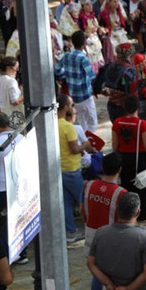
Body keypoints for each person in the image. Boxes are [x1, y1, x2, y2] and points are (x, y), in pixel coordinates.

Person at [87, 193, 146, 290]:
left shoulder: (101, 233)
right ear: (138, 212)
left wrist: (108, 284)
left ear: (117, 211)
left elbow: (91, 263)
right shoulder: (144, 237)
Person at [80, 152, 126, 290]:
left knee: (98, 275)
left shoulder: (88, 185)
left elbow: (82, 209)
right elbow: (122, 221)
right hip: (112, 239)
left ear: (102, 167)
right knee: (115, 277)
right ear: (120, 170)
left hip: (92, 234)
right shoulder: (121, 193)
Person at [58, 94, 96, 242]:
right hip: (72, 169)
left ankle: (70, 231)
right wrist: (85, 145)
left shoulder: (52, 124)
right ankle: (92, 228)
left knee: (66, 201)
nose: (73, 108)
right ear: (66, 108)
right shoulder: (68, 127)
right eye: (72, 105)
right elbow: (75, 149)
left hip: (60, 168)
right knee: (84, 199)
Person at [111, 93, 146, 221]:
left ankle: (127, 213)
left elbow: (114, 143)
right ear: (138, 107)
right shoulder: (142, 124)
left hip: (123, 157)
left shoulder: (117, 122)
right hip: (140, 158)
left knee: (126, 185)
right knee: (143, 186)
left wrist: (116, 154)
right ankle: (144, 214)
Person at [54, 31, 97, 134]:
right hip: (86, 95)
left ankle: (84, 141)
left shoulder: (67, 56)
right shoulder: (83, 58)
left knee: (82, 121)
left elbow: (57, 69)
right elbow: (91, 75)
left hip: (74, 96)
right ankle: (90, 143)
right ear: (84, 43)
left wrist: (67, 75)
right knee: (92, 123)